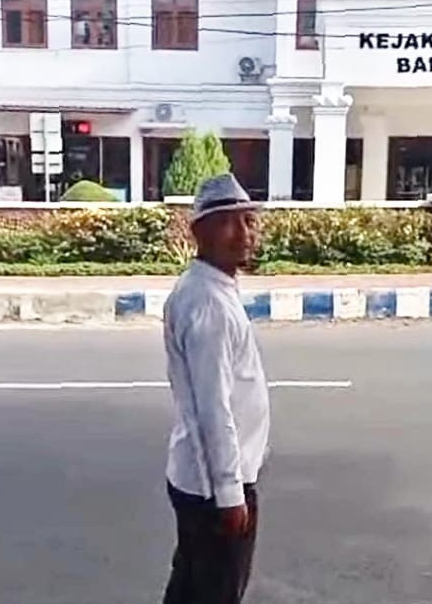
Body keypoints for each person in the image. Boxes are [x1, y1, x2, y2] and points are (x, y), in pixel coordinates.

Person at [162, 173, 271, 604]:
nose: (243, 233)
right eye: (227, 222)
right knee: (215, 593)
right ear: (199, 233)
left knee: (190, 587)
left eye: (248, 221)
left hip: (197, 477)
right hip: (213, 487)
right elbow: (214, 408)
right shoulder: (208, 303)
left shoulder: (207, 288)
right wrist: (230, 494)